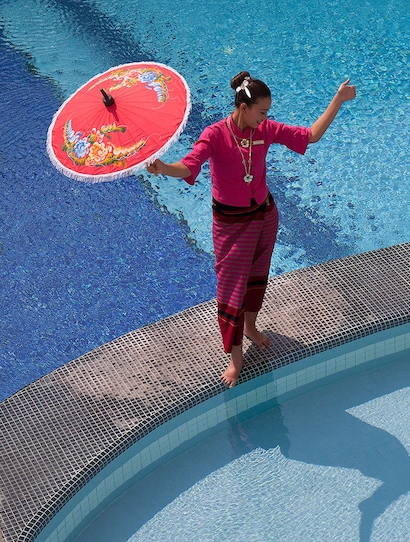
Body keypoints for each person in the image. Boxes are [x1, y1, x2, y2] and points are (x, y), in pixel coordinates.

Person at [148, 71, 356, 387]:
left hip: (264, 215)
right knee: (231, 291)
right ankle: (236, 359)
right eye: (262, 112)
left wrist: (338, 99)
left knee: (257, 277)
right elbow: (189, 166)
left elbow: (310, 136)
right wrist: (163, 168)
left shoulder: (265, 129)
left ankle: (250, 326)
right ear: (244, 107)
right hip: (231, 224)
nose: (265, 118)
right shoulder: (215, 135)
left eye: (267, 113)